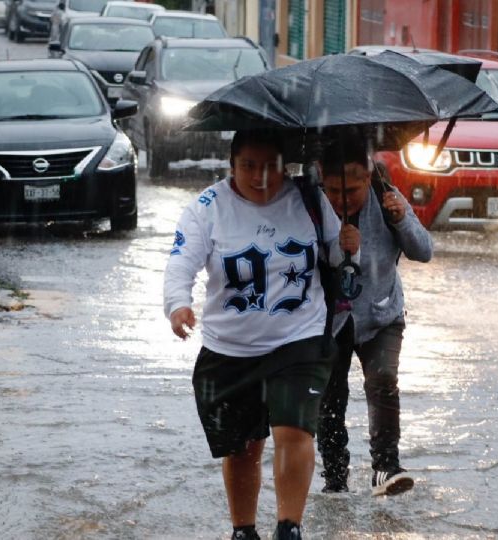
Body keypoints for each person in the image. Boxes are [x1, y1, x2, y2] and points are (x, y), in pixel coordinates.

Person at [164, 130, 358, 540]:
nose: (259, 176)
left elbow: (335, 256)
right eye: (248, 166)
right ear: (231, 165)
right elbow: (181, 263)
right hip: (229, 348)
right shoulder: (207, 208)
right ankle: (243, 530)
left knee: (294, 429)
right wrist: (178, 305)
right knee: (243, 447)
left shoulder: (308, 199)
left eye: (269, 166)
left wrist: (346, 245)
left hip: (299, 338)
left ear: (284, 165)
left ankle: (289, 527)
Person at [316, 137, 433, 497]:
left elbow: (424, 251)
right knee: (329, 397)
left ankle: (386, 467)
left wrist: (401, 220)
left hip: (381, 312)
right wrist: (337, 244)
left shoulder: (387, 200)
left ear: (368, 177)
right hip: (328, 318)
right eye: (334, 190)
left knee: (382, 380)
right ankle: (335, 478)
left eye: (352, 190)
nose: (342, 199)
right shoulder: (310, 205)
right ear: (322, 179)